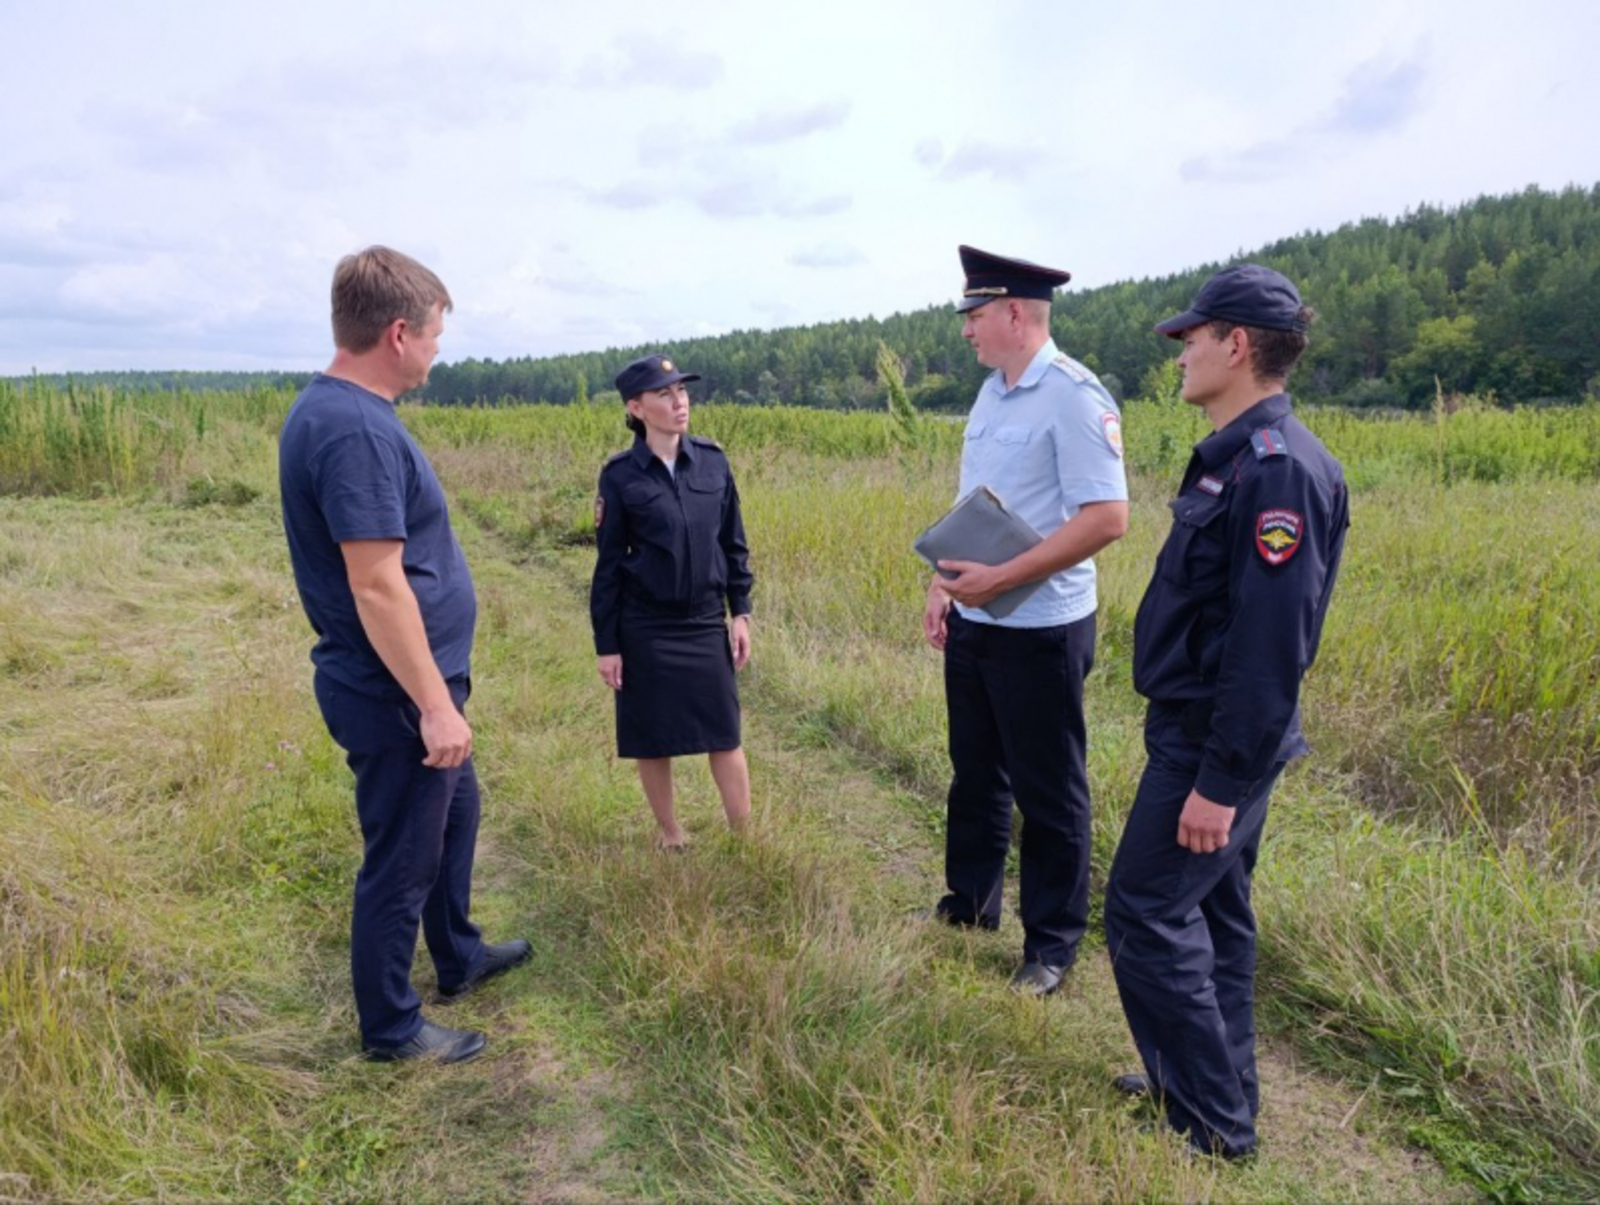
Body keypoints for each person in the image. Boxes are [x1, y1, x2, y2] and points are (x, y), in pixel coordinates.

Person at [1103, 264, 1349, 1159]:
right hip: (1202, 733)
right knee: (1213, 915)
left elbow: (1268, 646)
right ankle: (1209, 1086)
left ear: (1236, 345)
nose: (1180, 355)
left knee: (1141, 910)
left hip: (1216, 745)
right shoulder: (1242, 457)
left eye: (1191, 339)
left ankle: (1211, 1124)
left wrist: (1218, 780)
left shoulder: (1277, 473)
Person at [279, 246, 530, 1064]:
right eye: (434, 336)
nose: (435, 352)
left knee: (456, 814)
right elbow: (378, 584)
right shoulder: (351, 428)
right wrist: (431, 703)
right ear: (397, 333)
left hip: (408, 681)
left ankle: (457, 955)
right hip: (393, 690)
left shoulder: (344, 413)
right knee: (403, 855)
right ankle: (390, 1027)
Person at [922, 245, 1130, 996]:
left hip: (1042, 625)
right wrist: (944, 581)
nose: (967, 330)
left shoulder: (1074, 396)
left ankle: (1051, 944)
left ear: (1015, 313)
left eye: (975, 316)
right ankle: (970, 903)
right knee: (975, 772)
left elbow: (1108, 518)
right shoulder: (992, 392)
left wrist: (1002, 577)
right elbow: (978, 498)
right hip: (977, 618)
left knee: (1049, 789)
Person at [590, 354, 754, 850]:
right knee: (651, 734)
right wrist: (608, 643)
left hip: (704, 621)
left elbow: (734, 544)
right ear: (636, 408)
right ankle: (670, 833)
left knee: (724, 732)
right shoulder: (620, 476)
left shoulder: (713, 461)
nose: (679, 401)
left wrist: (740, 611)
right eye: (664, 394)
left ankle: (743, 836)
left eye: (681, 391)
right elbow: (609, 565)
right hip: (646, 625)